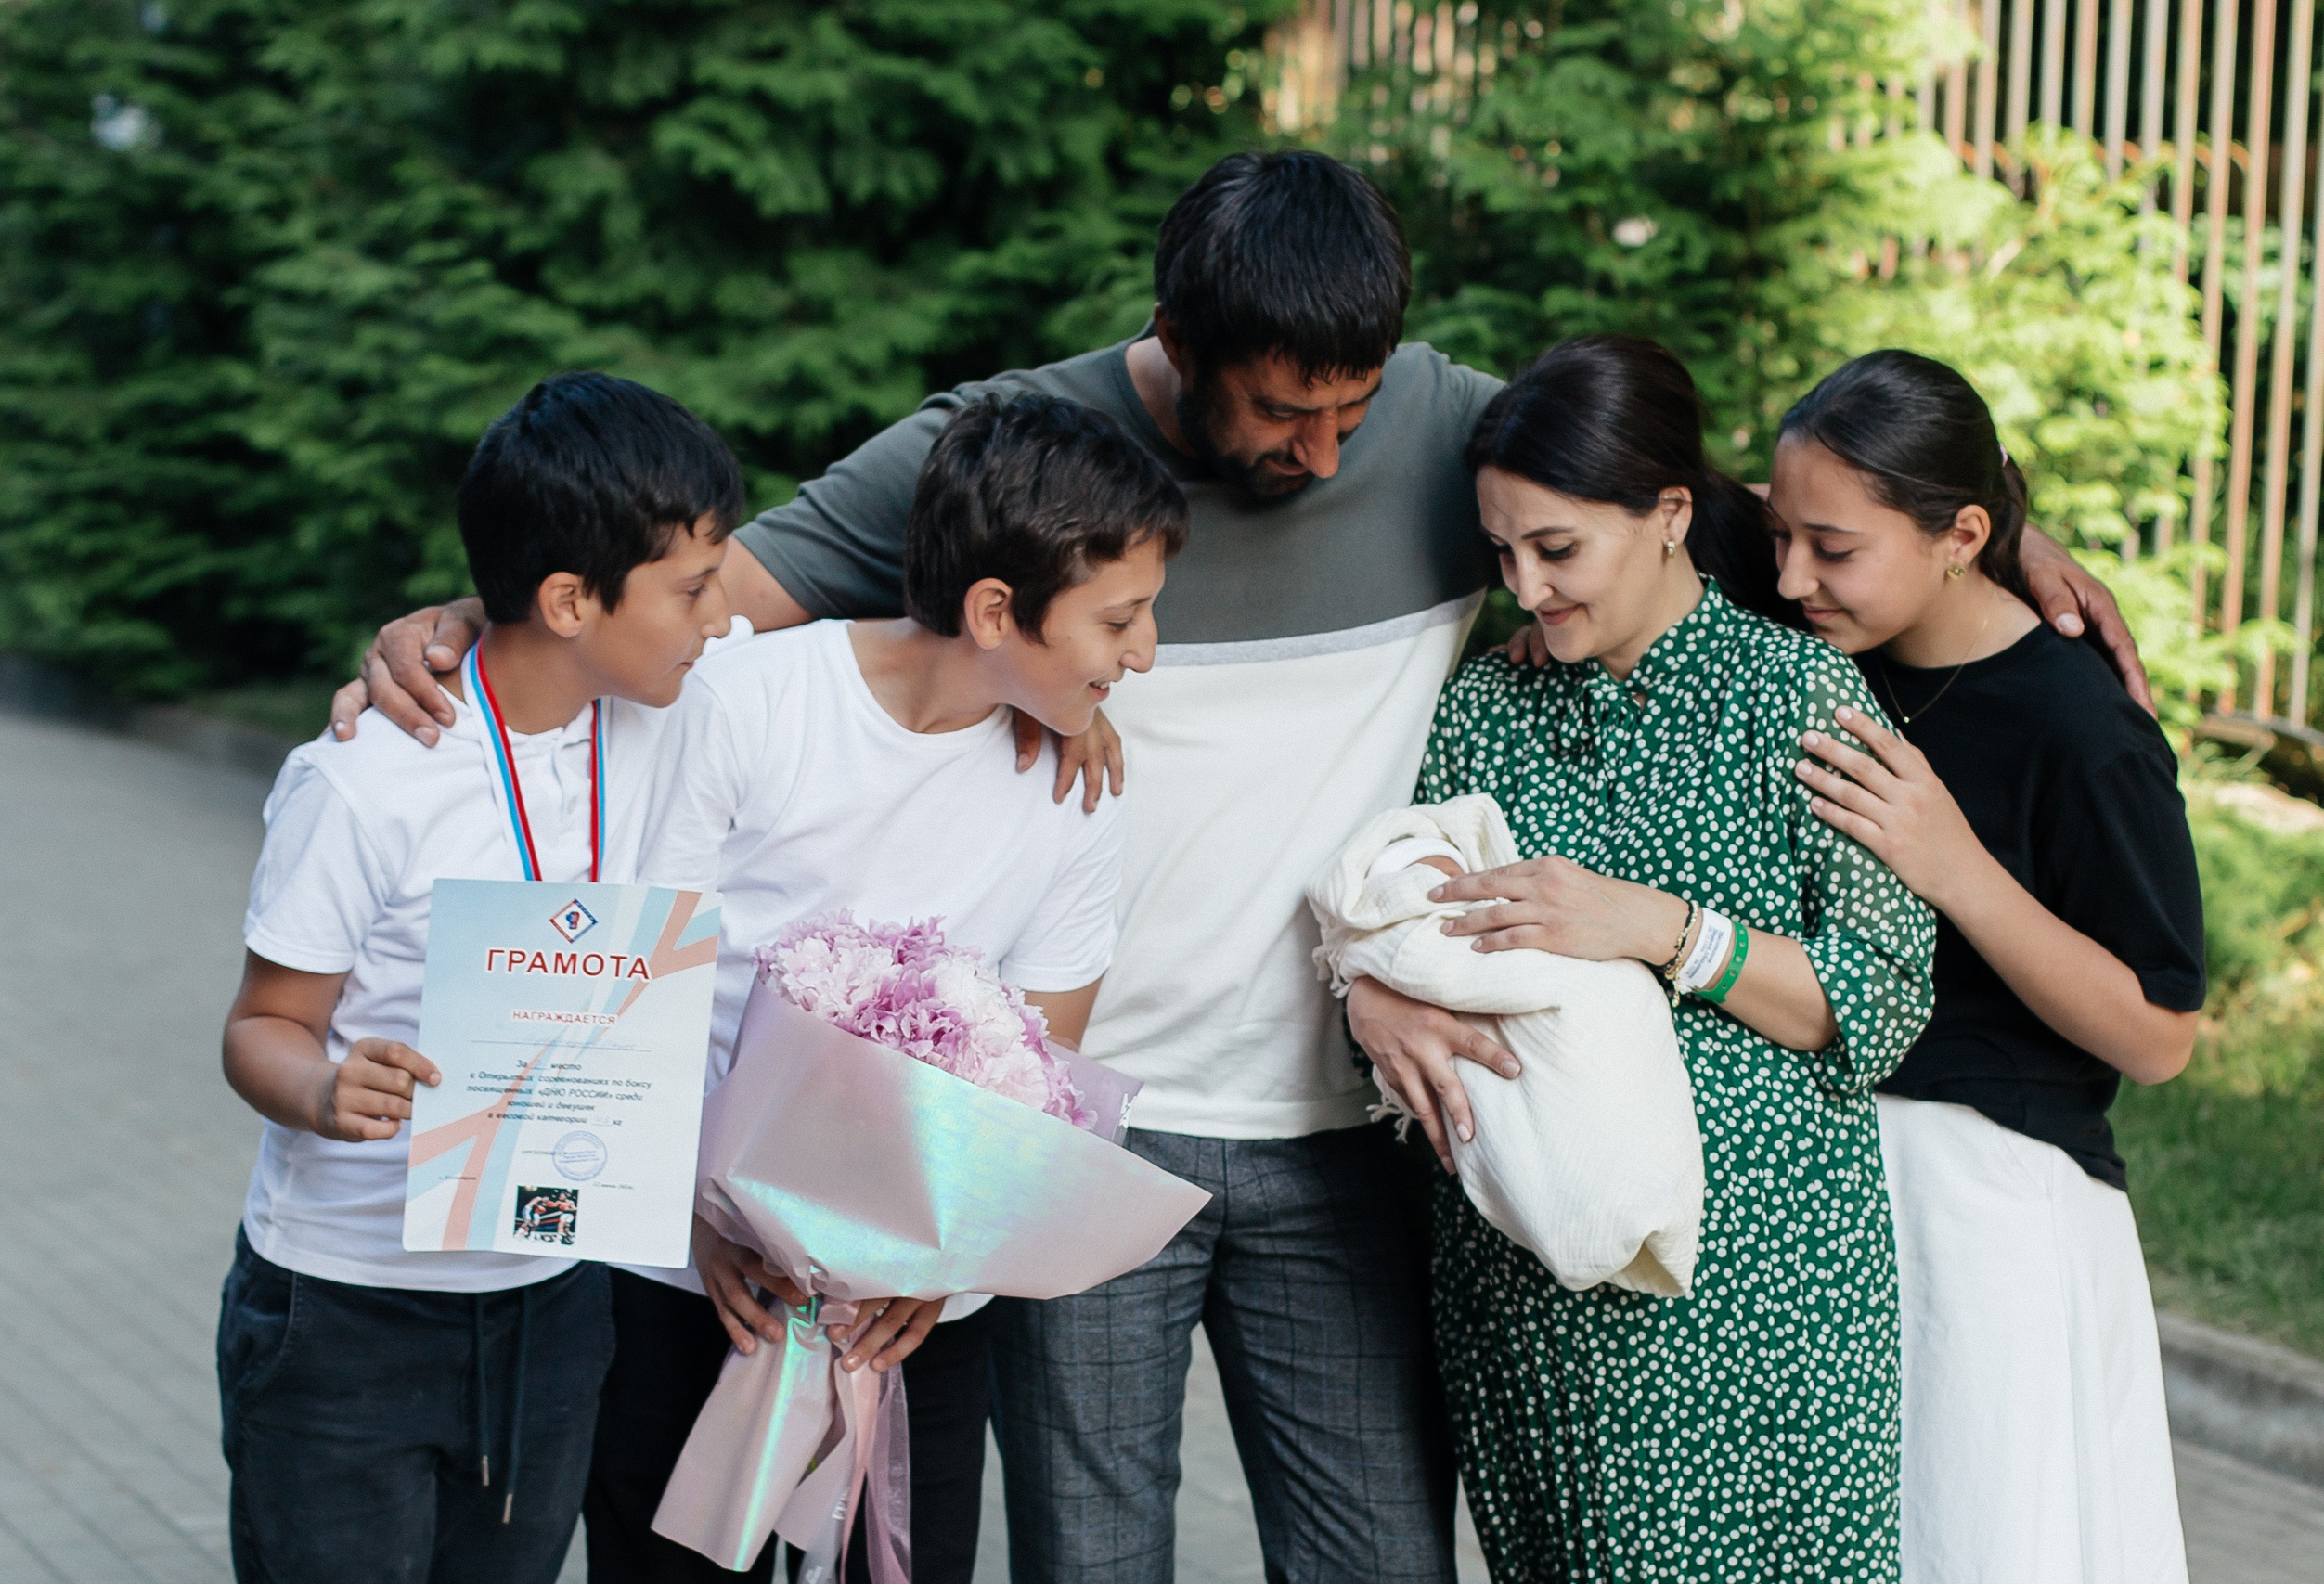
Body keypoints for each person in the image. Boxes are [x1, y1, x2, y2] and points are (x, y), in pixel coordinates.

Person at [333, 151, 2135, 1583]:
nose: (1323, 450)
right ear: (1174, 350)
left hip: (1348, 1143)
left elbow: (1681, 479)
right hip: (1092, 1139)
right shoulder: (1001, 456)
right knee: (1090, 1554)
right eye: (1282, 412)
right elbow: (669, 597)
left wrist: (2003, 543)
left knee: (1369, 1552)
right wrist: (471, 625)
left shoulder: (1450, 435)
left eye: (1351, 409)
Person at [1350, 334, 1935, 1579]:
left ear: (1670, 513)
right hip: (1529, 1291)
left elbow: (1877, 999)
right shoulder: (1485, 707)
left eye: (1556, 549)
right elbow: (1402, 919)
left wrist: (1664, 929)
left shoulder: (1799, 698)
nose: (1524, 586)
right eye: (1502, 552)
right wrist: (1372, 992)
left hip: (1757, 1292)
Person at [590, 392, 1182, 1584]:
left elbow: (1037, 1071)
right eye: (1120, 618)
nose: (1146, 653)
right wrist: (698, 1220)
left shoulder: (1074, 787)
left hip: (914, 1324)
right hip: (695, 1287)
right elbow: (626, 985)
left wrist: (942, 1265)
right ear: (995, 609)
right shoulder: (748, 702)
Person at [215, 373, 741, 1584]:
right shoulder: (364, 775)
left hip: (555, 1300)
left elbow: (891, 659)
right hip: (346, 1310)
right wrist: (325, 1085)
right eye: (696, 588)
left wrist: (1065, 692)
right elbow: (262, 1023)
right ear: (569, 598)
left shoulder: (677, 717)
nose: (721, 616)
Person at [1771, 350, 2201, 1584]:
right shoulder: (1821, 631)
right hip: (1822, 1189)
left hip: (1990, 1213)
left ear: (1959, 534)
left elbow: (2160, 1030)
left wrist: (1953, 861)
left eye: (1834, 547)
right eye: (1782, 536)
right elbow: (1629, 502)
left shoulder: (2082, 726)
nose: (1795, 576)